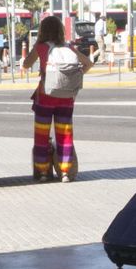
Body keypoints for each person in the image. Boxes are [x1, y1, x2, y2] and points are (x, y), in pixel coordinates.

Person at [22, 14, 84, 182]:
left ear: (42, 31)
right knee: (65, 134)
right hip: (66, 98)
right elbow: (87, 64)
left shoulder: (41, 47)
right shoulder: (69, 47)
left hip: (45, 97)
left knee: (42, 135)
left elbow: (26, 64)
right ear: (60, 31)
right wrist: (70, 78)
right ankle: (65, 172)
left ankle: (43, 171)